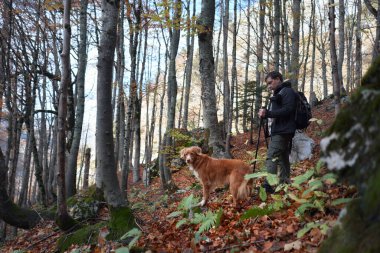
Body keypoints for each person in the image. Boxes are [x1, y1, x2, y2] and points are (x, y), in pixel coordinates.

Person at [258, 71, 296, 193]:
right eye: (267, 84)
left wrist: (268, 113)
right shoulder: (279, 93)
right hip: (281, 130)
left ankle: (268, 186)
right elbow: (278, 112)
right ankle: (284, 185)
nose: (269, 86)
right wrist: (266, 113)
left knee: (271, 156)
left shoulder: (287, 91)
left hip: (283, 131)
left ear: (278, 79)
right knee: (283, 158)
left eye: (270, 82)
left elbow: (288, 110)